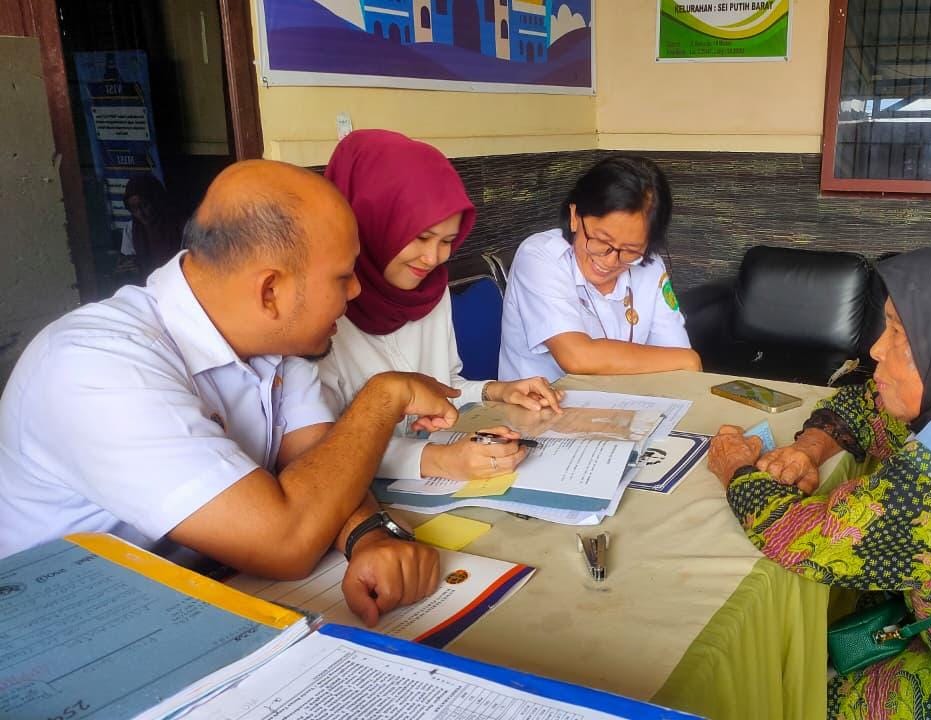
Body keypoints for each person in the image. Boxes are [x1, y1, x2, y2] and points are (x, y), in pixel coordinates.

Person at [0, 160, 458, 626]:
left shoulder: (276, 339)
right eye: (343, 277)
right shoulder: (95, 366)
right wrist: (383, 398)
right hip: (69, 630)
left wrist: (370, 536)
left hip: (194, 597)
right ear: (270, 291)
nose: (357, 290)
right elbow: (284, 543)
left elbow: (320, 464)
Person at [707, 241, 931, 719]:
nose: (876, 347)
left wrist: (735, 466)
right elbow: (869, 407)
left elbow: (810, 541)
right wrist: (809, 447)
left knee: (787, 700)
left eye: (899, 332)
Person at [316, 130, 563, 482]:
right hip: (353, 501)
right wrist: (438, 461)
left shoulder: (428, 288)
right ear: (370, 222)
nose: (432, 258)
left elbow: (441, 384)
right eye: (420, 238)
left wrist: (498, 391)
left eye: (448, 241)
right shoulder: (320, 313)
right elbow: (320, 448)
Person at [498, 155, 700, 383]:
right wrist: (685, 360)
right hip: (540, 412)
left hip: (625, 409)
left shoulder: (649, 265)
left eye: (630, 250)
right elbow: (577, 358)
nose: (611, 261)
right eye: (602, 241)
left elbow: (680, 365)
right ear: (575, 216)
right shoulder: (540, 256)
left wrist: (684, 361)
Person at [122, 174, 184, 278]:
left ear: (156, 201)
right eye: (134, 208)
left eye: (144, 205)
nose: (140, 213)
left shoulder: (180, 225)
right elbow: (129, 261)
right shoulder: (131, 229)